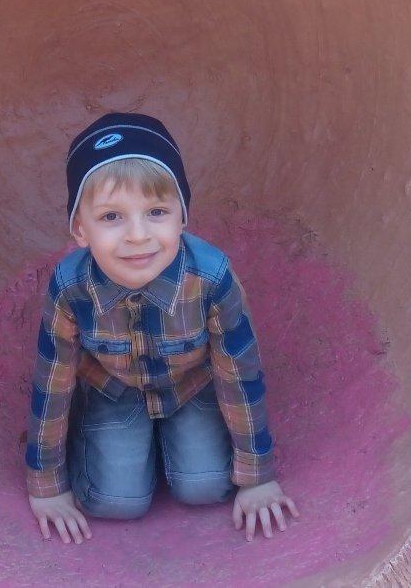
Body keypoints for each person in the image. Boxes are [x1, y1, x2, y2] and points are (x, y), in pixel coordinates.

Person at [23, 111, 301, 545]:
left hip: (189, 386)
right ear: (80, 229)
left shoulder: (211, 278)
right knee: (113, 501)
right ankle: (111, 444)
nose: (138, 235)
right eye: (111, 217)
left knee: (207, 486)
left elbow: (239, 375)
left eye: (156, 212)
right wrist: (47, 486)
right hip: (114, 390)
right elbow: (52, 383)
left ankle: (161, 446)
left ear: (182, 218)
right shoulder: (70, 287)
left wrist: (257, 478)